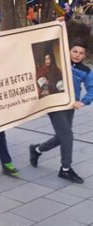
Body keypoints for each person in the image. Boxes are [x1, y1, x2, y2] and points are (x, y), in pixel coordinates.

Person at [30, 40, 93, 184]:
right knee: (67, 136)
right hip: (54, 104)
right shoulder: (59, 64)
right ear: (68, 51)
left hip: (70, 106)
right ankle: (65, 169)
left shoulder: (86, 71)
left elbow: (92, 88)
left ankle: (37, 150)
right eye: (74, 51)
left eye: (81, 53)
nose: (77, 55)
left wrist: (84, 101)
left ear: (85, 55)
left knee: (61, 137)